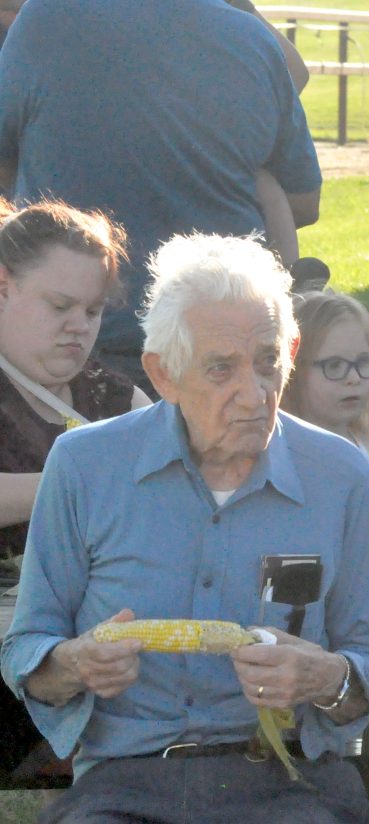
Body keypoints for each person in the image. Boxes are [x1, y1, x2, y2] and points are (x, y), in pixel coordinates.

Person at [1, 233, 369, 822]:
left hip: (288, 779)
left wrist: (324, 677)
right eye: (221, 369)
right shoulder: (85, 465)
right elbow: (28, 649)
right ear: (163, 374)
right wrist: (73, 664)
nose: (254, 393)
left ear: (291, 349)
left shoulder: (339, 475)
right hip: (128, 780)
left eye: (269, 363)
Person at [0, 0, 322, 386]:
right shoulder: (252, 37)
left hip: (76, 351)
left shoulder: (47, 19)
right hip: (220, 358)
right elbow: (303, 202)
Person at [0, 198, 151, 784]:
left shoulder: (113, 396)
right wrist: (73, 483)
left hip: (107, 647)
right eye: (59, 305)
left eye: (92, 310)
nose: (78, 326)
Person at [282, 291, 369, 485]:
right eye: (334, 365)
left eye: (363, 361)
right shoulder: (282, 459)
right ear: (293, 371)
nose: (354, 377)